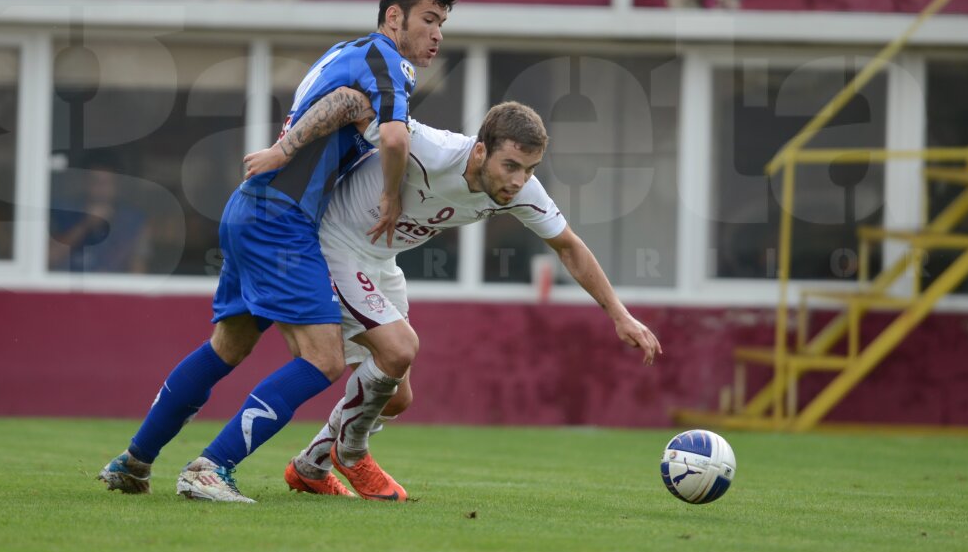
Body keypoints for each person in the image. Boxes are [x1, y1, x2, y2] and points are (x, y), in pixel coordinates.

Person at [97, 0, 457, 502]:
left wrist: (285, 150)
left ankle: (133, 460)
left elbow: (344, 108)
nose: (437, 34)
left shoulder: (345, 54)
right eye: (429, 20)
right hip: (283, 220)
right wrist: (390, 194)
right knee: (324, 359)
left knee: (227, 346)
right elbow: (393, 133)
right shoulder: (388, 61)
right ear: (394, 17)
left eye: (443, 24)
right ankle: (210, 467)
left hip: (251, 209)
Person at [241, 99, 663, 501]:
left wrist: (620, 316)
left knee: (397, 397)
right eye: (511, 166)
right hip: (334, 243)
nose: (518, 180)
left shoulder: (522, 192)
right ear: (480, 151)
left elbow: (569, 247)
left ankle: (310, 467)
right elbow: (356, 108)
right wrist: (282, 151)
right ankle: (348, 455)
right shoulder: (429, 148)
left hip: (380, 260)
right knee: (400, 348)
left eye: (529, 170)